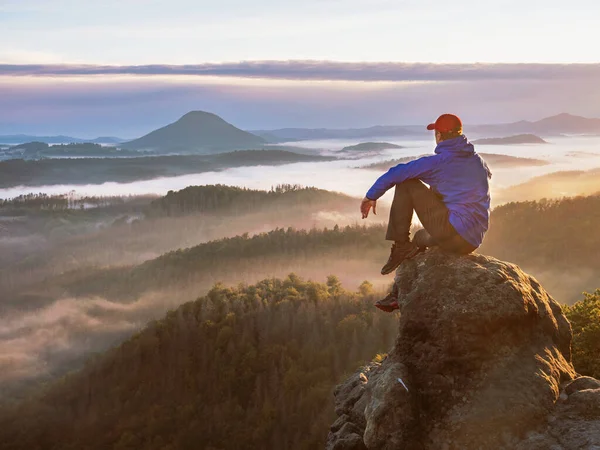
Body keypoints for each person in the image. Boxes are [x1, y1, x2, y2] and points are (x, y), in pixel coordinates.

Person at [360, 113, 491, 303]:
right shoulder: (478, 161)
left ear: (439, 135)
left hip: (452, 231)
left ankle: (400, 246)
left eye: (435, 133)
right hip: (470, 240)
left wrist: (370, 196)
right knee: (420, 239)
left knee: (406, 183)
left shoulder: (440, 162)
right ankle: (398, 294)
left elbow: (396, 173)